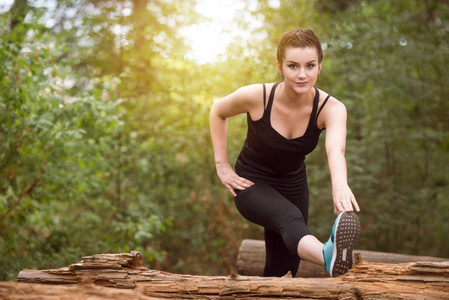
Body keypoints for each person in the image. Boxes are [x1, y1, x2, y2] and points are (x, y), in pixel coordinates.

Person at [209, 28, 361, 278]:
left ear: (320, 66)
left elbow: (336, 150)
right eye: (293, 66)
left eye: (310, 65)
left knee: (285, 270)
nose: (302, 75)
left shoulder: (331, 108)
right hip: (251, 182)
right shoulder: (258, 96)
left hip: (293, 184)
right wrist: (222, 165)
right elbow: (217, 111)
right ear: (280, 67)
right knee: (289, 216)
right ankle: (327, 255)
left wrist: (340, 184)